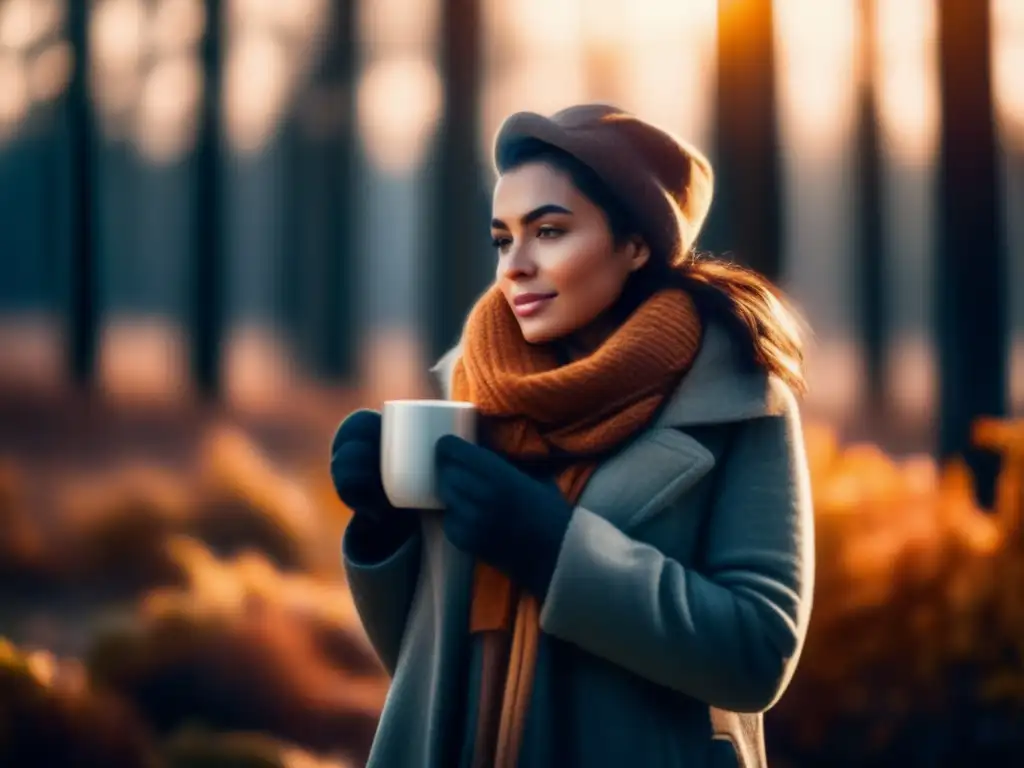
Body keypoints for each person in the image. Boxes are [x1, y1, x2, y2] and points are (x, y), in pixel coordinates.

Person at [330, 104, 815, 768]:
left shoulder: (737, 403)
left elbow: (757, 655)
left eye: (549, 232)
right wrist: (386, 531)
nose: (513, 267)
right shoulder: (472, 391)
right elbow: (425, 664)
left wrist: (554, 548)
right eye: (503, 239)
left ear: (636, 244)